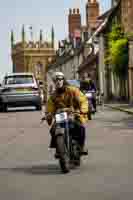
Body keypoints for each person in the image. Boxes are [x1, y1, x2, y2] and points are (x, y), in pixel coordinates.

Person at [45, 71, 89, 156]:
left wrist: (82, 110)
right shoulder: (53, 96)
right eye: (55, 80)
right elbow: (49, 108)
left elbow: (83, 100)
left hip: (73, 114)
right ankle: (59, 149)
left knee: (80, 127)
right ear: (54, 82)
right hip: (60, 117)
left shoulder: (73, 90)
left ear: (63, 80)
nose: (58, 81)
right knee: (53, 129)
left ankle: (81, 146)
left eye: (60, 79)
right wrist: (48, 115)